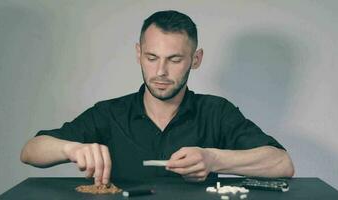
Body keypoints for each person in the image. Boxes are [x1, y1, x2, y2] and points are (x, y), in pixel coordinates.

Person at [20, 10, 294, 186]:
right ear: (138, 54)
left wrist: (213, 159)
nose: (160, 72)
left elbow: (282, 164)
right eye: (152, 58)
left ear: (195, 60)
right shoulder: (108, 113)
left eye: (174, 59)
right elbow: (30, 151)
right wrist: (71, 149)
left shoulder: (216, 112)